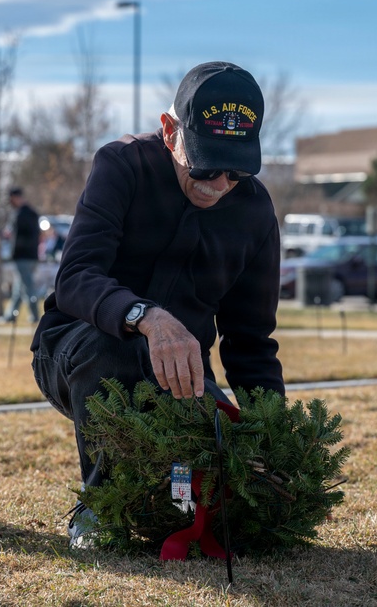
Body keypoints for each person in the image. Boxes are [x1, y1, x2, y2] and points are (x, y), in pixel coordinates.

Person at [31, 61, 285, 548]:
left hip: (182, 375)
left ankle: (171, 504)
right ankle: (100, 506)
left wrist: (272, 435)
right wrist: (144, 317)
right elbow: (76, 278)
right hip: (76, 350)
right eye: (206, 165)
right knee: (117, 354)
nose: (219, 184)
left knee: (224, 466)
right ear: (170, 131)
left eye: (236, 170)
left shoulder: (255, 210)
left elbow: (250, 340)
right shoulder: (120, 165)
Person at [0, 187, 41, 324]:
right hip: (31, 255)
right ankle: (10, 315)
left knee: (28, 287)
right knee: (19, 286)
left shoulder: (21, 214)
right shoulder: (32, 213)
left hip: (23, 256)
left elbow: (20, 236)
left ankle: (35, 315)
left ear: (16, 198)